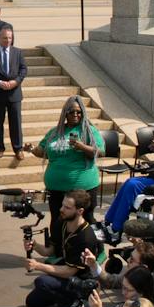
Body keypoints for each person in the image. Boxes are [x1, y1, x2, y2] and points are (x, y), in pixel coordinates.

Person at [38, 97, 101, 236]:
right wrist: (30, 149)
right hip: (56, 188)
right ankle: (58, 251)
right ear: (65, 113)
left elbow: (100, 151)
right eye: (71, 112)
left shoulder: (89, 131)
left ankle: (95, 249)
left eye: (79, 112)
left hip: (83, 188)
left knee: (86, 220)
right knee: (57, 219)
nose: (75, 115)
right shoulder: (54, 132)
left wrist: (82, 146)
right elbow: (42, 150)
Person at [0, 23, 28, 162]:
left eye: (10, 38)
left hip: (14, 93)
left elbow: (23, 70)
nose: (7, 40)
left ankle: (18, 148)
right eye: (4, 38)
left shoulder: (18, 52)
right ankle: (0, 148)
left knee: (16, 122)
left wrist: (16, 81)